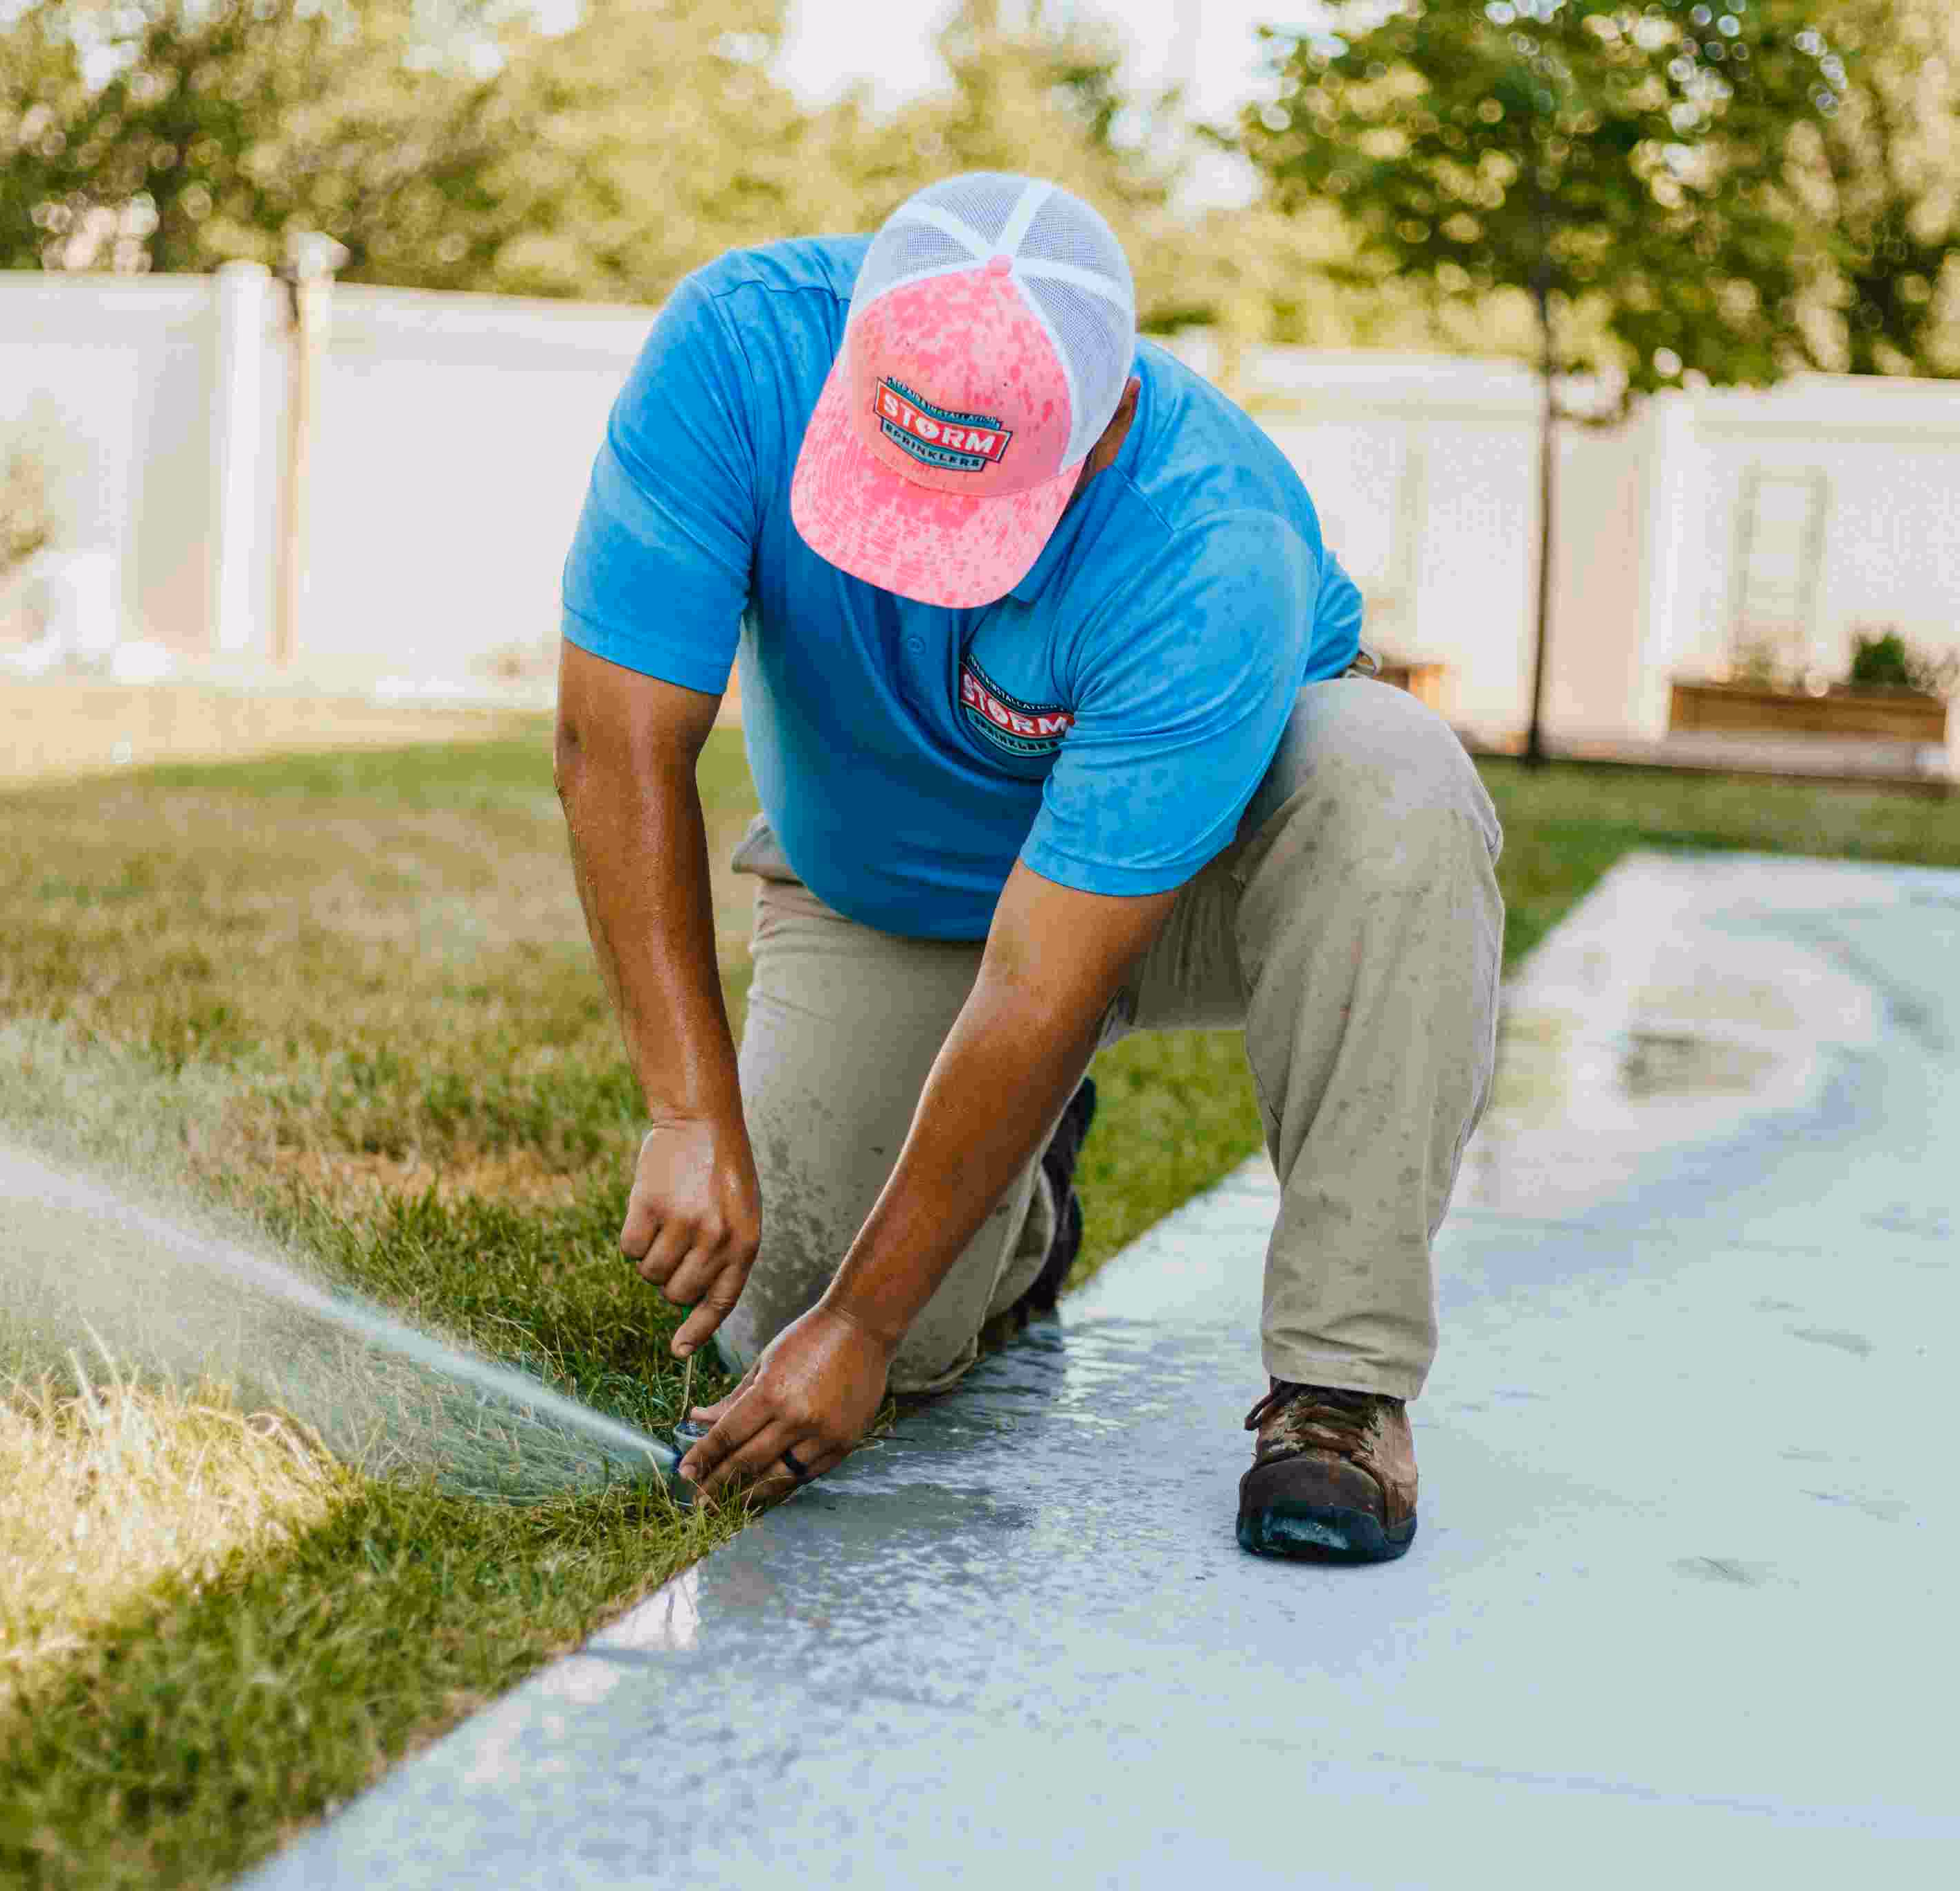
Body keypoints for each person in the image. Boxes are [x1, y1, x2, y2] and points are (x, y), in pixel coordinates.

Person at [552, 172, 1502, 1564]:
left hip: (1186, 888)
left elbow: (1048, 970)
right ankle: (1012, 1215)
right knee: (791, 1314)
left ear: (1106, 421)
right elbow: (612, 740)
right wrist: (688, 1109)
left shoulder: (1207, 536)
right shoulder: (738, 350)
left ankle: (1339, 1387)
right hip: (889, 886)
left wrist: (865, 1329)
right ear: (852, 348)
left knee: (1393, 782)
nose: (926, 566)